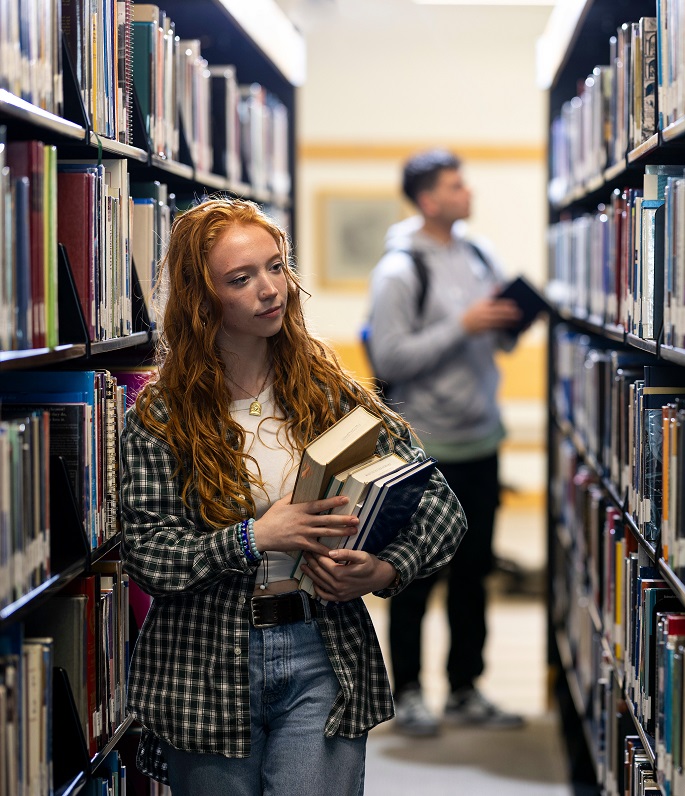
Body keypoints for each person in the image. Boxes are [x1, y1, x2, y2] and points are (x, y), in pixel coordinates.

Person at [120, 197, 467, 795]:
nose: (269, 289)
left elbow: (441, 507)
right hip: (205, 664)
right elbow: (150, 556)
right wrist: (256, 538)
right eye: (242, 277)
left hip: (321, 649)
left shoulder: (328, 394)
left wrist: (383, 570)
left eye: (276, 267)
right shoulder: (161, 414)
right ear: (202, 299)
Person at [366, 150, 526, 735]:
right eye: (457, 186)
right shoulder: (400, 270)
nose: (469, 193)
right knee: (413, 574)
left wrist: (504, 325)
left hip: (480, 439)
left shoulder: (479, 254)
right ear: (429, 200)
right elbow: (390, 356)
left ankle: (465, 687)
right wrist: (463, 326)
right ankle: (407, 690)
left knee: (473, 572)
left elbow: (497, 339)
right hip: (424, 451)